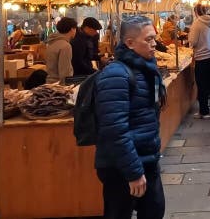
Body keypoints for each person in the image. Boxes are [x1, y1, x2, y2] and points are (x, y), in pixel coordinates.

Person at [95, 16, 165, 219]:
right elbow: (115, 129)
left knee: (154, 210)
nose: (154, 44)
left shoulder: (148, 69)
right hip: (121, 167)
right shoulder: (115, 75)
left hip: (147, 158)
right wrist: (133, 172)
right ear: (130, 43)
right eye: (149, 40)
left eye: (154, 39)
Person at [188, 4, 210, 119]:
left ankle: (204, 112)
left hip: (202, 58)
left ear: (196, 12)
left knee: (202, 85)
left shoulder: (197, 24)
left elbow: (192, 41)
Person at [45, 17, 78, 83]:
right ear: (72, 29)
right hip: (59, 86)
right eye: (75, 29)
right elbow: (65, 72)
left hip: (49, 82)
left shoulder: (51, 42)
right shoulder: (65, 46)